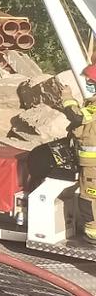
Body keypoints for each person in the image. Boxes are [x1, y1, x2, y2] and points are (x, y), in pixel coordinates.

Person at [58, 66, 96, 243]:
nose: (89, 82)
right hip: (88, 163)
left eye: (92, 80)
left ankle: (92, 233)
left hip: (92, 165)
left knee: (89, 198)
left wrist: (67, 97)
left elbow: (76, 117)